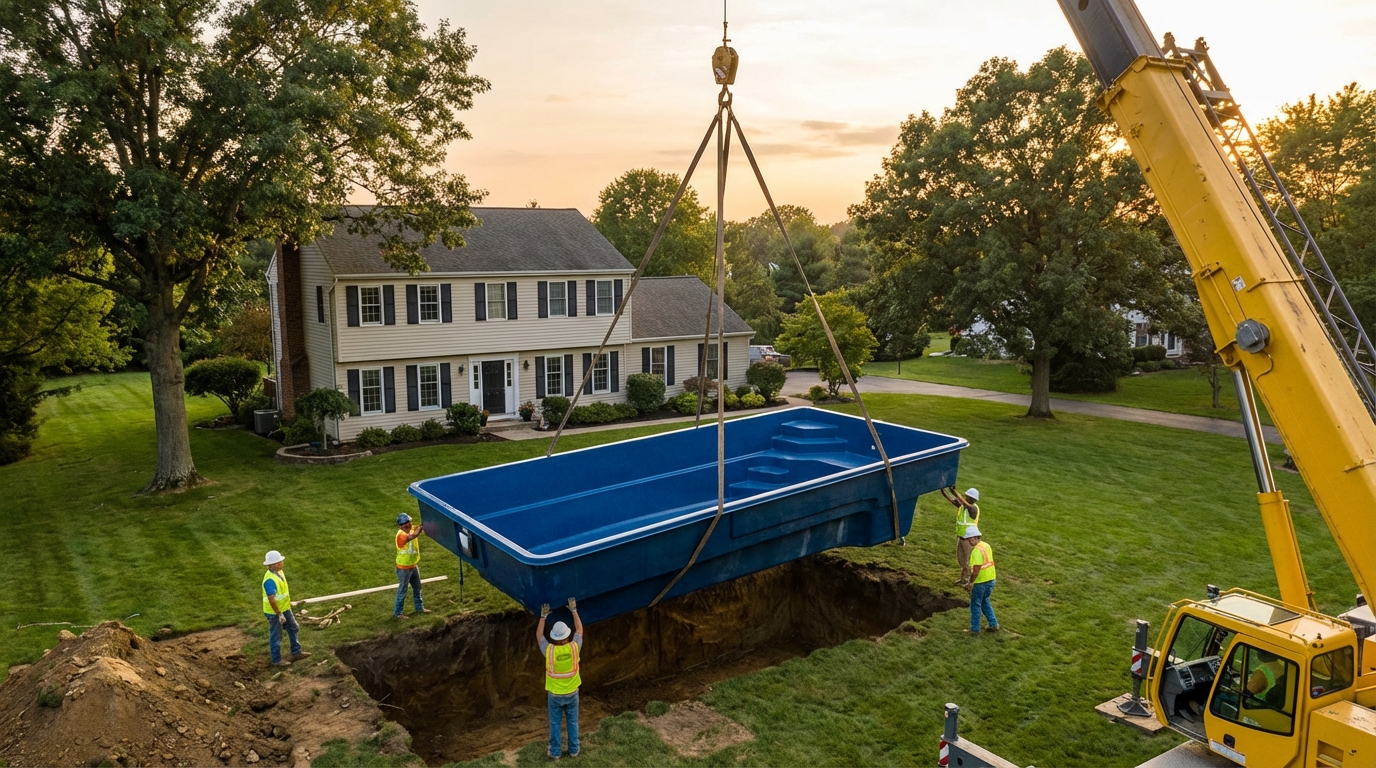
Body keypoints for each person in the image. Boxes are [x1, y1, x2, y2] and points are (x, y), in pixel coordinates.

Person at [537, 597, 584, 760]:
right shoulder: (574, 648)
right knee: (572, 723)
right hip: (572, 693)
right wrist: (573, 610)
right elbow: (579, 630)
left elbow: (539, 637)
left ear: (554, 638)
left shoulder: (549, 651)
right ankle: (574, 750)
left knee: (555, 724)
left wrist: (543, 617)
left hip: (555, 695)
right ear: (566, 635)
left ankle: (555, 753)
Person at [261, 550, 311, 666]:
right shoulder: (270, 581)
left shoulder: (279, 572)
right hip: (274, 613)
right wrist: (279, 614)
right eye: (280, 561)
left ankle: (296, 652)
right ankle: (276, 660)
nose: (282, 563)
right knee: (276, 635)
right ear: (273, 564)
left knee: (293, 627)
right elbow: (271, 599)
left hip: (284, 608)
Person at [394, 513, 432, 619]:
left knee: (417, 587)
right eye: (405, 523)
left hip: (412, 566)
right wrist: (420, 529)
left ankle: (419, 608)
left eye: (409, 522)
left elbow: (417, 527)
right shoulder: (401, 535)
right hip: (403, 568)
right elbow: (413, 535)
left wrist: (425, 523)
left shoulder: (410, 529)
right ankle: (398, 613)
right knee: (402, 590)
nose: (408, 525)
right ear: (401, 525)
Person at [963, 526, 999, 634]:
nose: (969, 541)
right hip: (991, 579)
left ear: (976, 537)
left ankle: (974, 629)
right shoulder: (986, 545)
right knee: (985, 601)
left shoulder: (976, 552)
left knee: (975, 604)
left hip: (981, 582)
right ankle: (993, 624)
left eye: (970, 538)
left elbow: (976, 570)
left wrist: (970, 582)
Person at [943, 487, 981, 586]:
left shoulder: (973, 509)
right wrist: (943, 489)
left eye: (968, 497)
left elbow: (964, 503)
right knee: (961, 560)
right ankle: (963, 578)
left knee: (968, 561)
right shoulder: (963, 506)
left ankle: (969, 581)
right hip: (961, 537)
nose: (966, 498)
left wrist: (954, 491)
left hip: (970, 539)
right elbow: (950, 499)